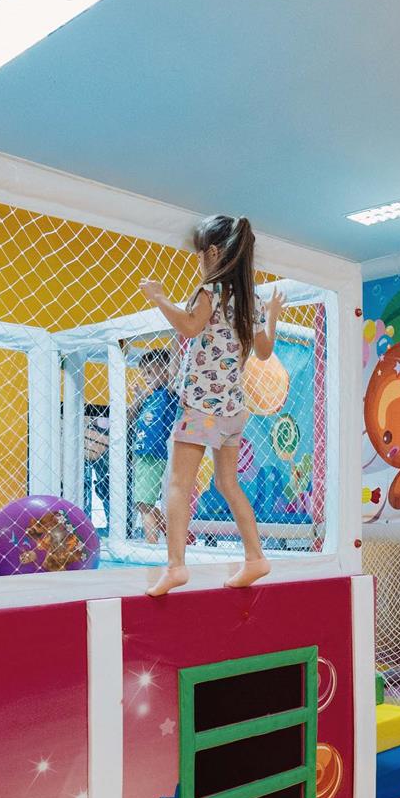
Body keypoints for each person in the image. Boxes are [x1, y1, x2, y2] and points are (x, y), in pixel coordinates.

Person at [138, 214, 282, 595]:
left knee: (178, 483)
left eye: (200, 254)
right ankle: (256, 557)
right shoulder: (249, 302)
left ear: (213, 253)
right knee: (227, 482)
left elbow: (189, 326)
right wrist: (272, 318)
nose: (199, 261)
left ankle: (175, 566)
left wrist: (159, 298)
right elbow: (264, 352)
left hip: (202, 409)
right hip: (233, 413)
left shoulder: (211, 291)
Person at [127, 346, 183, 543]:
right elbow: (128, 416)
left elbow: (174, 366)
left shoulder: (168, 393)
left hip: (153, 453)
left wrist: (177, 338)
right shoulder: (150, 396)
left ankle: (151, 546)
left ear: (166, 371)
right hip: (141, 454)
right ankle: (172, 534)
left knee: (144, 504)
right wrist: (139, 398)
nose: (146, 377)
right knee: (143, 502)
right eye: (144, 373)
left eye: (150, 372)